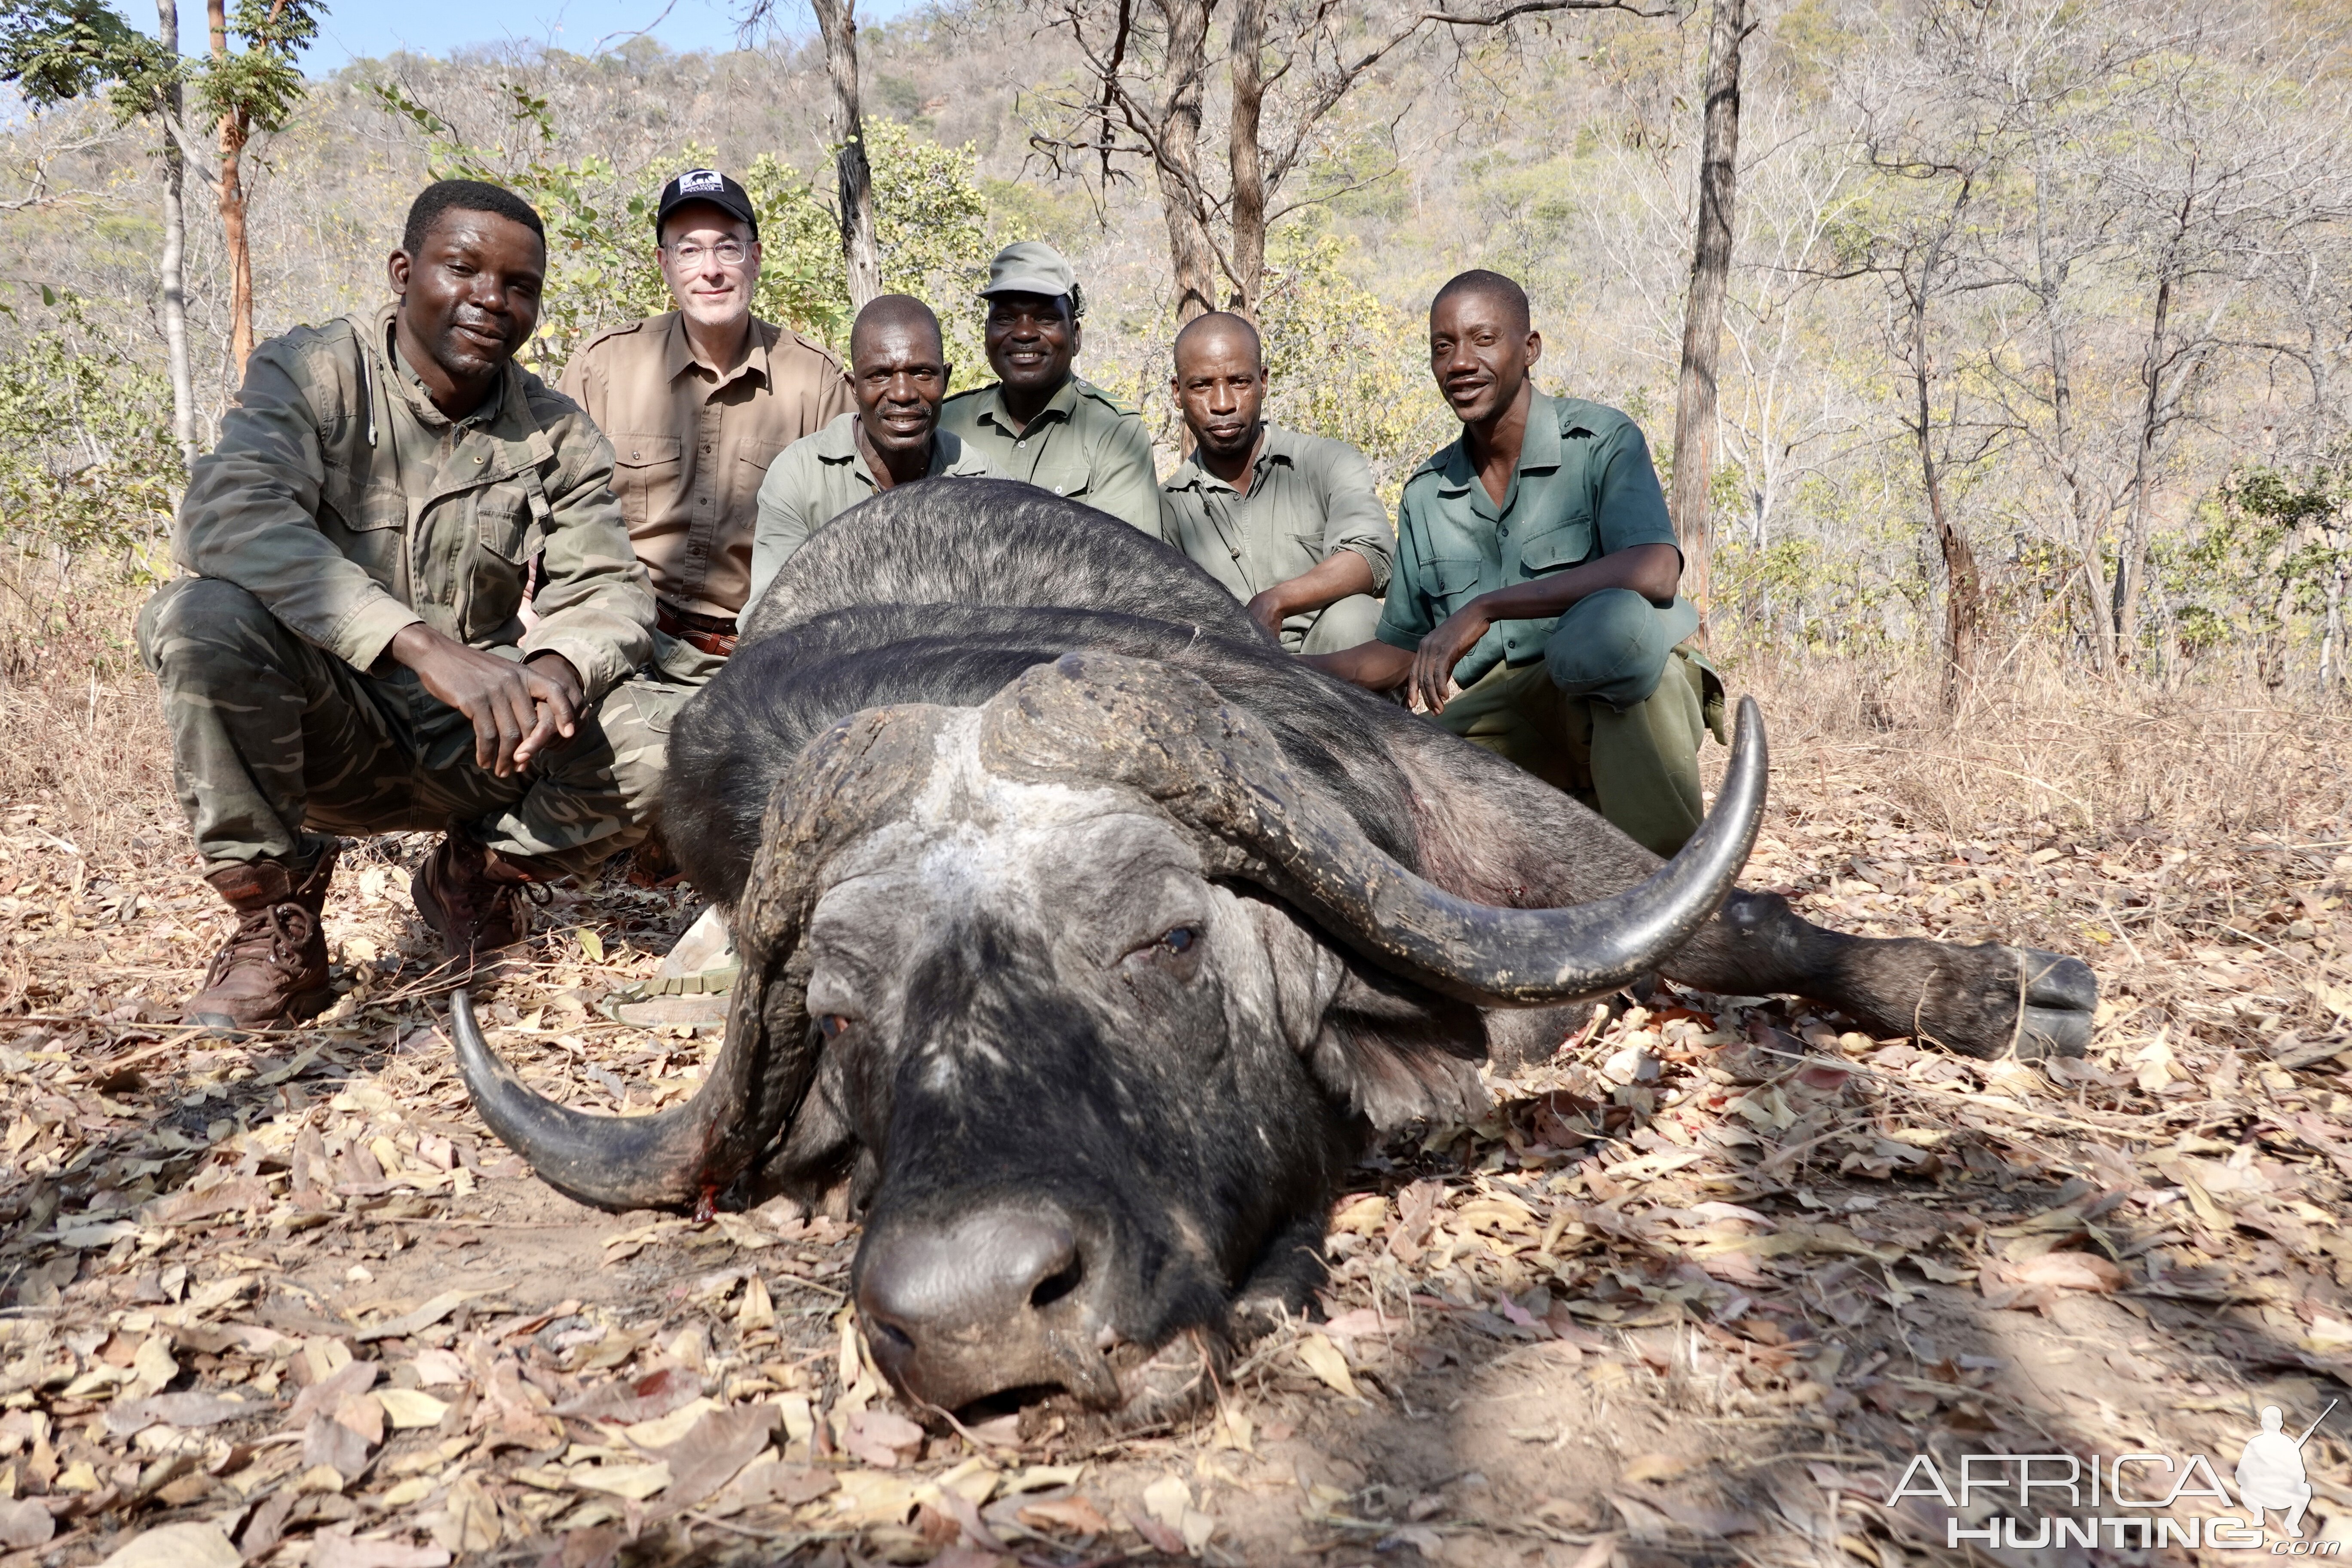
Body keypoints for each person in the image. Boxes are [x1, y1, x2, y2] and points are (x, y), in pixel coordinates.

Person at [138, 179, 670, 1029]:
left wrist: (555, 666)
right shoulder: (314, 371)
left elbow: (607, 585)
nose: (491, 300)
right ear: (404, 270)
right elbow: (228, 517)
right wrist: (421, 647)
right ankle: (277, 929)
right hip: (331, 733)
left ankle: (478, 877)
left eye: (520, 285)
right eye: (463, 269)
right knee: (200, 621)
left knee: (671, 734)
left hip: (484, 747)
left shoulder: (556, 431)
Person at [1304, 269, 1724, 859]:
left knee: (1622, 654)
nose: (1460, 362)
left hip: (1603, 693)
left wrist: (1487, 607)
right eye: (1442, 346)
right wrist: (1278, 669)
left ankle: (1672, 890)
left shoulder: (1600, 441)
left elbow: (1656, 569)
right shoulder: (1427, 491)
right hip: (1498, 715)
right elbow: (1402, 648)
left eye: (1483, 339)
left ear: (1529, 350)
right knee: (1395, 791)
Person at [559, 168, 851, 679]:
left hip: (756, 657)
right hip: (620, 633)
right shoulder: (602, 368)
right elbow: (546, 509)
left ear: (755, 259)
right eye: (689, 250)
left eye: (727, 248)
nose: (710, 270)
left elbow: (848, 540)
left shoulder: (818, 382)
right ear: (665, 265)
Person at [1158, 311, 1390, 654]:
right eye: (1202, 386)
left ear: (1263, 382)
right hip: (1233, 683)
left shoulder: (1328, 463)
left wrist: (1277, 601)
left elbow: (1372, 554)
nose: (1223, 404)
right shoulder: (1166, 509)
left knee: (1355, 617)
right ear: (1178, 393)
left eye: (1239, 382)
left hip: (1338, 675)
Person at [747, 294, 997, 609]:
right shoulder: (799, 477)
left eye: (922, 373)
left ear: (946, 379)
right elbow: (770, 621)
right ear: (854, 386)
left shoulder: (984, 482)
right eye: (879, 375)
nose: (903, 394)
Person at [936, 241, 1158, 533]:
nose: (1025, 333)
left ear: (1076, 336)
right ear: (986, 335)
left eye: (1046, 318)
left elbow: (1126, 564)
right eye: (1005, 319)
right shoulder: (947, 422)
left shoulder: (1115, 431)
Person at [2236, 1405, 2317, 1537]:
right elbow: (2242, 1471)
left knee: (2306, 1489)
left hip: (2282, 1492)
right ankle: (2258, 1516)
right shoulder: (2255, 1441)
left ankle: (2292, 1524)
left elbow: (2300, 1474)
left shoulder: (2289, 1443)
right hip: (2258, 1491)